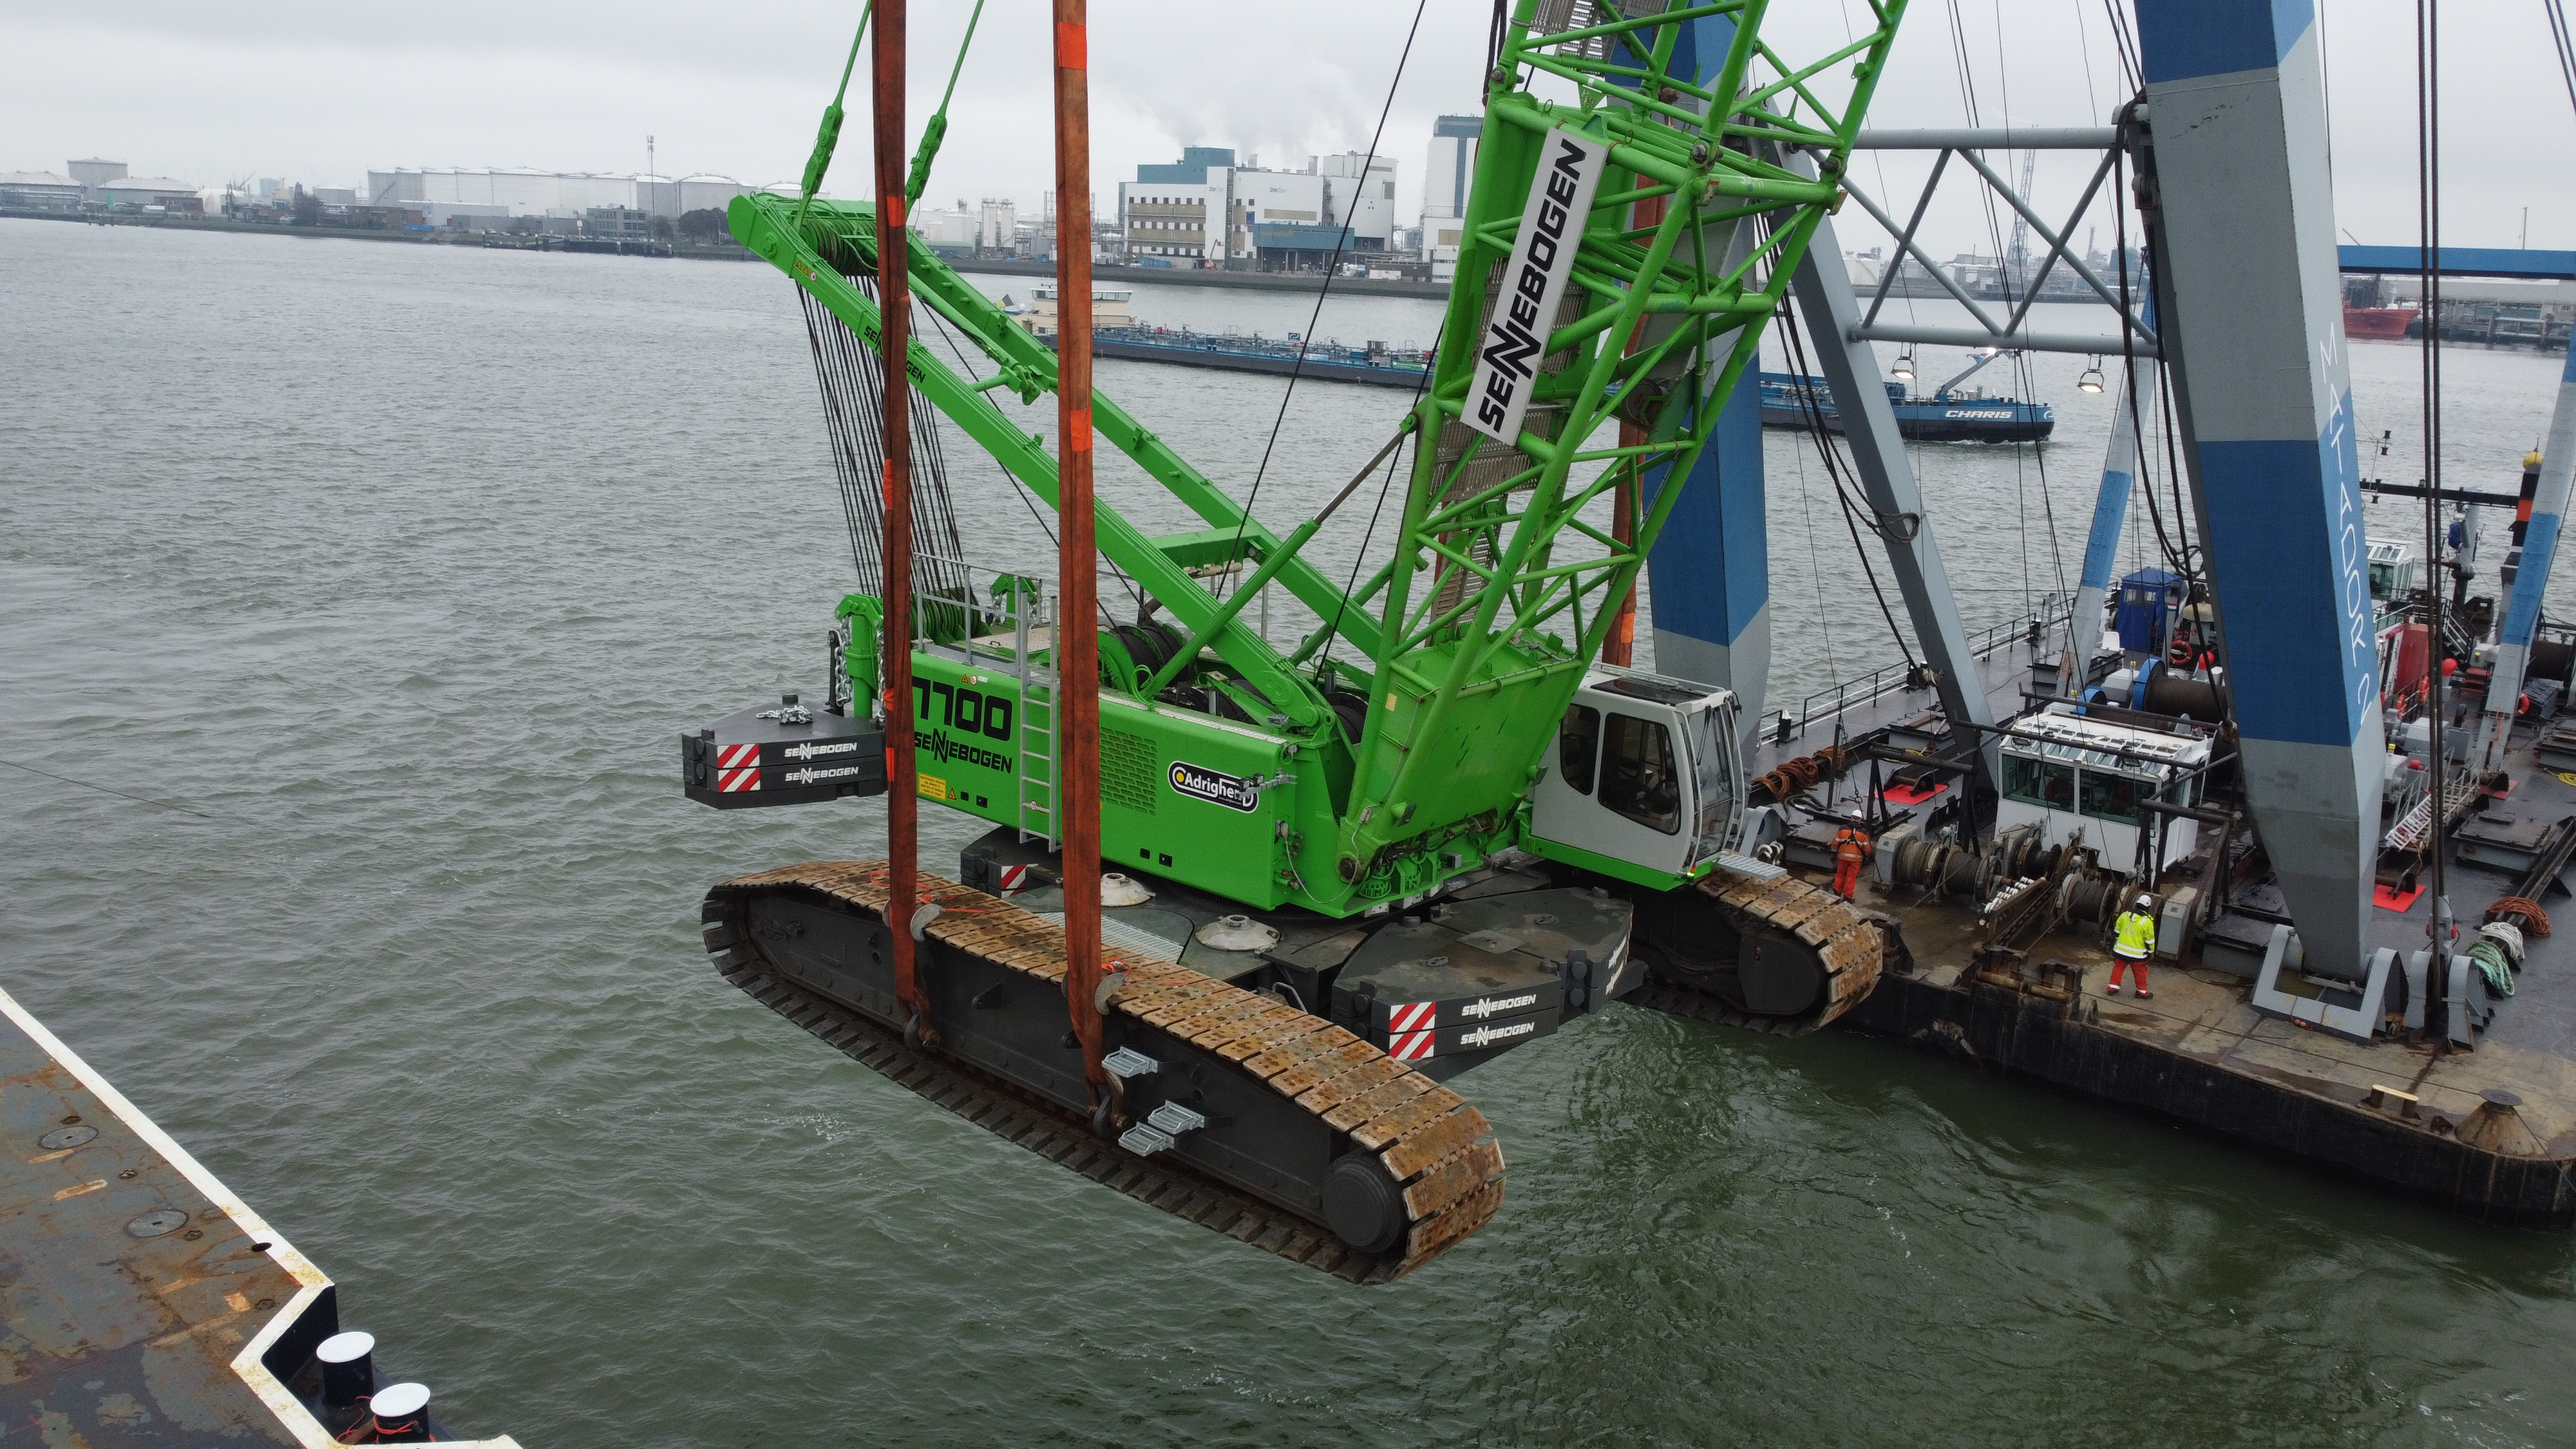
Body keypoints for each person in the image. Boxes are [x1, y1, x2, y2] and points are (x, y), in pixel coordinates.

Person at [2110, 895, 2157, 998]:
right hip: (2138, 956)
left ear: (2137, 904)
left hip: (2121, 951)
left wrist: (2116, 944)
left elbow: (2117, 931)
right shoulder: (2147, 922)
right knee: (2141, 973)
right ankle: (2141, 992)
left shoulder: (2124, 916)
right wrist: (2150, 953)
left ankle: (2113, 987)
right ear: (2148, 908)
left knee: (2118, 968)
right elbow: (2149, 940)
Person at [1832, 824, 1872, 900]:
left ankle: (1837, 893)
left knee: (1840, 875)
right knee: (1851, 878)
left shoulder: (1842, 829)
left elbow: (1835, 844)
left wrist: (1834, 852)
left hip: (1842, 858)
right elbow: (1867, 849)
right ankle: (1848, 897)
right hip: (1856, 860)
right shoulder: (1864, 833)